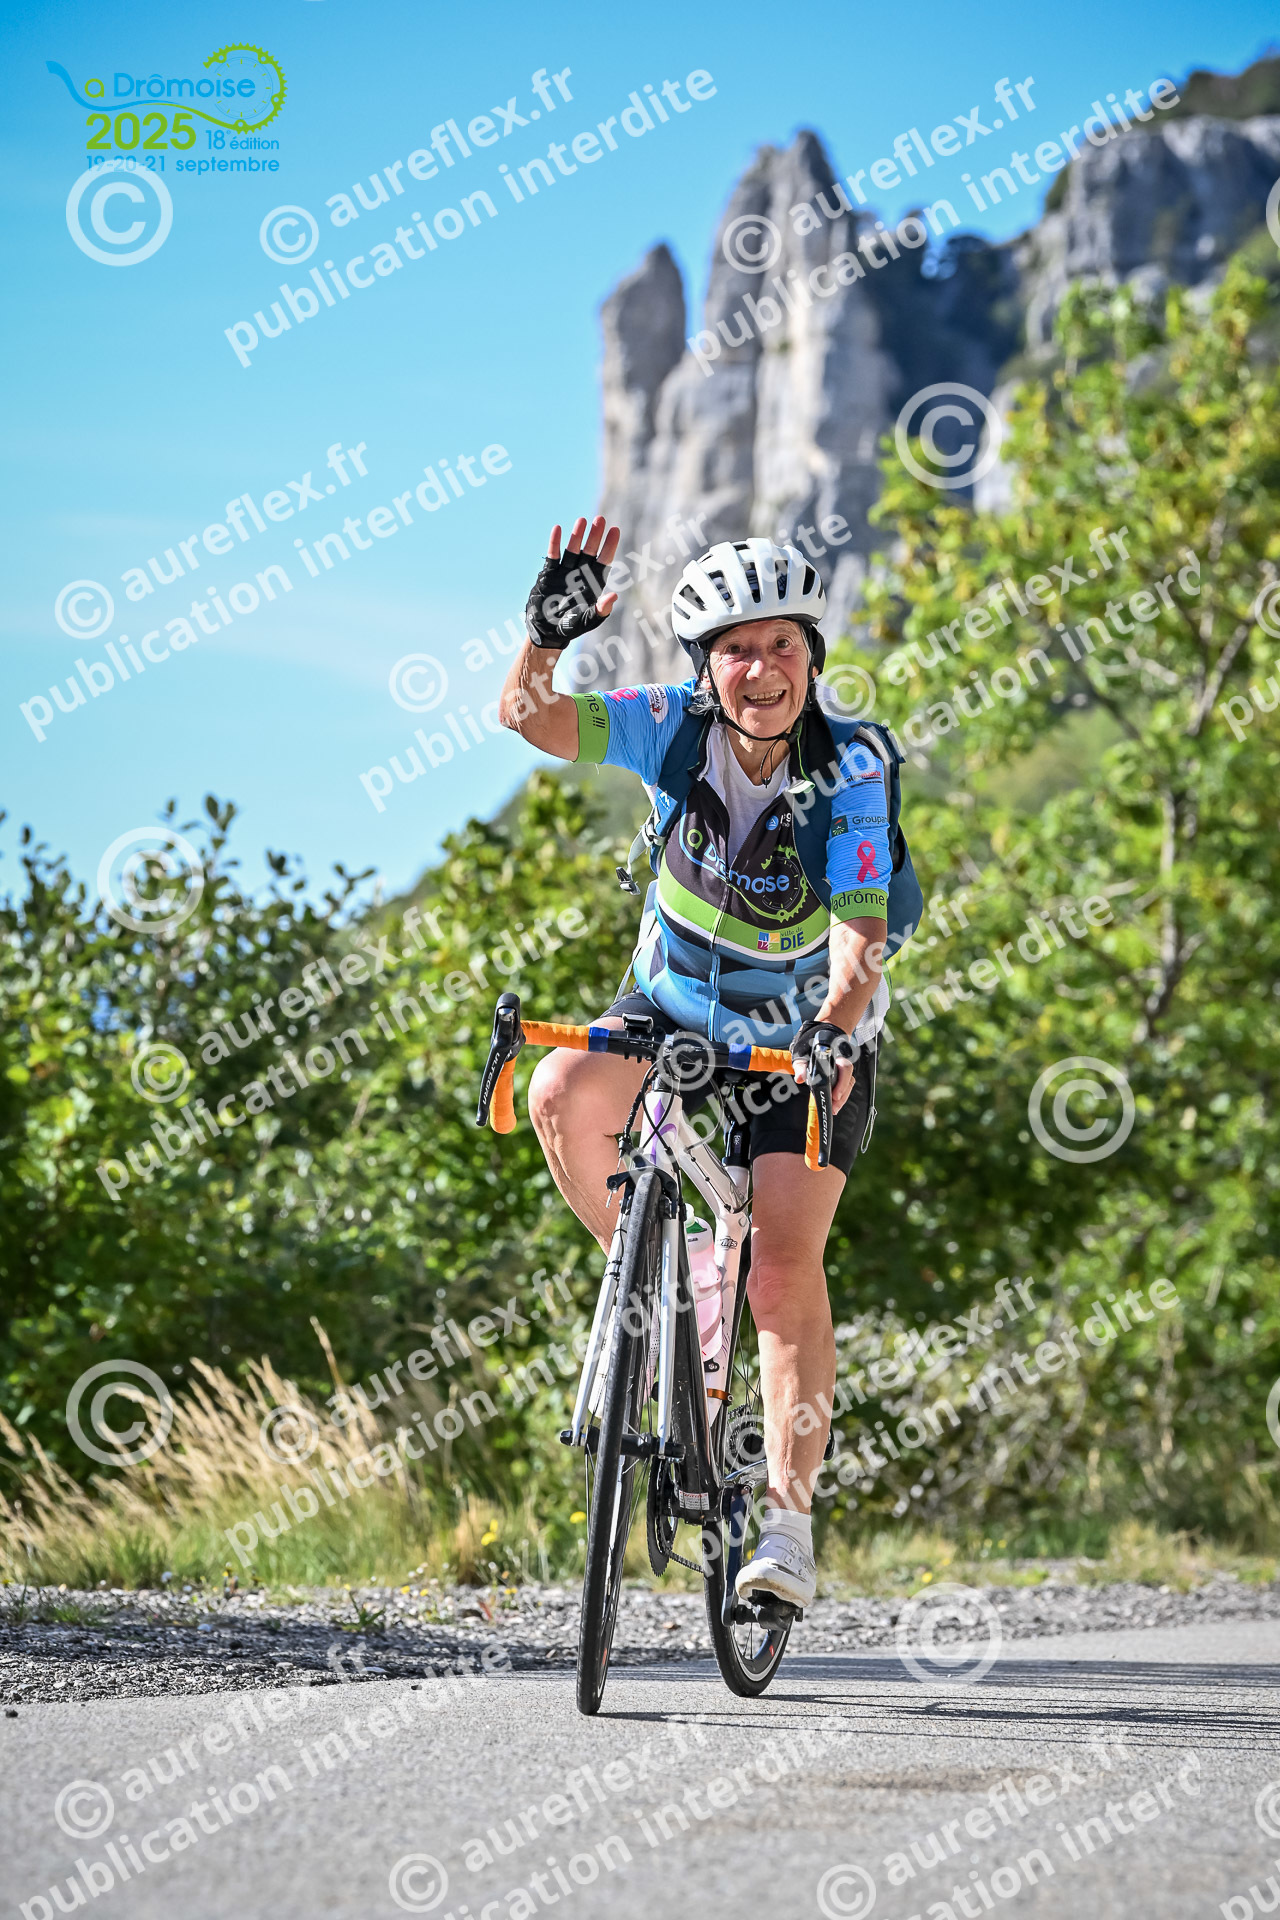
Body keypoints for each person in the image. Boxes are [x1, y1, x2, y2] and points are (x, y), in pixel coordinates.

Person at [498, 514, 894, 1609]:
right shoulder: (668, 727)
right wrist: (544, 640)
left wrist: (834, 1024)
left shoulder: (852, 764)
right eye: (736, 650)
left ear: (812, 654)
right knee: (558, 1090)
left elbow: (860, 925)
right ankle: (662, 1282)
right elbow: (529, 718)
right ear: (703, 668)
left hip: (804, 1032)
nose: (761, 669)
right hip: (672, 1006)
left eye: (782, 645)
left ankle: (785, 1527)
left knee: (780, 1269)